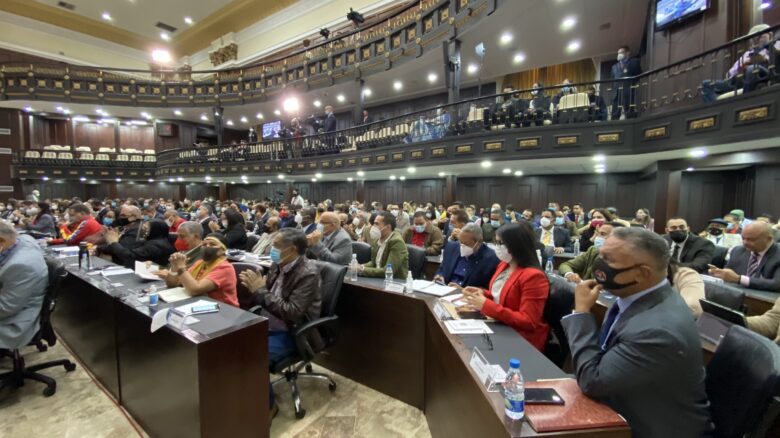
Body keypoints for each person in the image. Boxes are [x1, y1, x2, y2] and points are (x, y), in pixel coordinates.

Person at [561, 227, 712, 436]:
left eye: (609, 259)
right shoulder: (643, 297)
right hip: (625, 401)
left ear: (642, 273)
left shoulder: (658, 331)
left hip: (651, 427)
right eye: (601, 255)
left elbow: (593, 381)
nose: (599, 265)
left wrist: (581, 313)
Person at [238, 227, 322, 414]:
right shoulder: (278, 264)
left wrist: (260, 291)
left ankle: (269, 408)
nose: (271, 249)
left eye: (275, 245)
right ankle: (242, 395)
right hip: (266, 321)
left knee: (252, 358)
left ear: (292, 249)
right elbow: (267, 296)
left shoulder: (308, 272)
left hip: (293, 331)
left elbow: (292, 312)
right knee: (230, 345)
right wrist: (254, 288)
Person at [461, 222, 550, 352]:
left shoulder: (534, 276)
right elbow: (500, 297)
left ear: (515, 245)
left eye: (499, 243)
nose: (496, 247)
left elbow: (528, 321)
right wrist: (482, 293)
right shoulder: (504, 265)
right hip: (500, 326)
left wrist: (486, 305)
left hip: (520, 339)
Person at [0, 222, 48, 349]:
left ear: (2, 241)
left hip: (14, 321)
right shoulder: (23, 240)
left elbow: (5, 308)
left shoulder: (20, 266)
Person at [701, 24, 779, 102]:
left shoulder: (775, 46)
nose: (756, 39)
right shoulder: (747, 54)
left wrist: (764, 59)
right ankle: (719, 109)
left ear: (770, 35)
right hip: (737, 80)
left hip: (760, 75)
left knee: (752, 69)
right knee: (705, 84)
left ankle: (744, 105)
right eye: (753, 37)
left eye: (760, 36)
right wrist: (741, 67)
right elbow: (729, 74)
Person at [156, 233, 239, 307]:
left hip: (223, 311)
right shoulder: (200, 263)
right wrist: (174, 266)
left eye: (212, 244)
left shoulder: (224, 268)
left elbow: (195, 290)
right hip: (199, 304)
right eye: (204, 244)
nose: (207, 247)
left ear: (222, 250)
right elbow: (173, 284)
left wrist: (181, 267)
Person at [709, 221, 780, 292]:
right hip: (737, 295)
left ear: (769, 239)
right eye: (743, 238)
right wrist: (721, 273)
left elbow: (776, 284)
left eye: (751, 239)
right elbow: (729, 272)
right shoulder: (738, 251)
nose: (745, 243)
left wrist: (739, 279)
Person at [434, 223, 500, 289]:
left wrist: (463, 290)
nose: (462, 246)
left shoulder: (491, 259)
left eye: (466, 244)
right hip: (444, 289)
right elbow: (442, 269)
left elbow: (487, 287)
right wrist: (440, 276)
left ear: (479, 242)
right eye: (461, 242)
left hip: (467, 296)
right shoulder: (451, 248)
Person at [103, 219, 175, 268]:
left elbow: (129, 255)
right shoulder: (158, 240)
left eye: (146, 229)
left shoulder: (155, 245)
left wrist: (113, 242)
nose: (143, 231)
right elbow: (131, 249)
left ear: (155, 230)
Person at [358, 211, 409, 279]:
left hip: (394, 282)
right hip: (379, 278)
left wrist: (362, 270)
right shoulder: (377, 239)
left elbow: (388, 271)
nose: (373, 226)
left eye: (377, 224)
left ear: (388, 227)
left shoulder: (397, 242)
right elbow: (374, 263)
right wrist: (360, 266)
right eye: (373, 223)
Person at [610, 45, 642, 119]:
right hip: (617, 93)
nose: (619, 55)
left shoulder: (634, 62)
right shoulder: (614, 67)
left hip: (629, 92)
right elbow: (612, 79)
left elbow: (638, 75)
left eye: (621, 52)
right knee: (614, 115)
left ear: (627, 53)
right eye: (618, 53)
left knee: (630, 113)